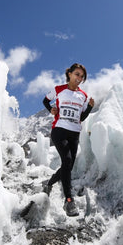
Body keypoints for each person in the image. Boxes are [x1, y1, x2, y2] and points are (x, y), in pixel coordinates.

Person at [42, 63, 94, 217]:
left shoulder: (83, 96)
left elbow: (81, 117)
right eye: (77, 74)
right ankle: (69, 200)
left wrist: (90, 107)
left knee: (68, 166)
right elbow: (45, 100)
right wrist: (50, 109)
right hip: (59, 130)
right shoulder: (58, 89)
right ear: (69, 74)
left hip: (75, 132)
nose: (79, 78)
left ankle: (49, 183)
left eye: (82, 76)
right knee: (67, 160)